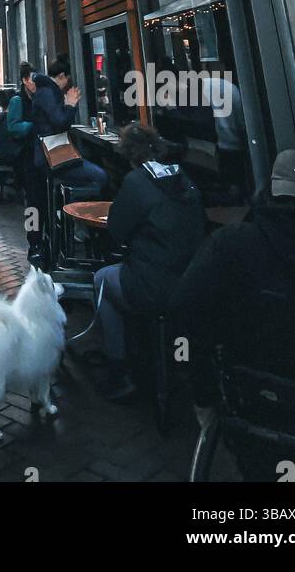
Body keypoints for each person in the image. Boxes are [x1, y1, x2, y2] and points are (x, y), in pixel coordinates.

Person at [175, 149, 295, 449]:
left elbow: (185, 314)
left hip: (248, 409)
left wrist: (203, 394)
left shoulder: (228, 245)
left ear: (268, 195)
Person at [93, 123, 204, 400]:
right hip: (191, 281)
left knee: (102, 280)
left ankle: (119, 372)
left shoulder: (136, 182)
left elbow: (118, 231)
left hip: (154, 285)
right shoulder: (184, 177)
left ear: (129, 155)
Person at [23, 60, 108, 264]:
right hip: (44, 157)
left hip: (34, 156)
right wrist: (70, 105)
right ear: (62, 76)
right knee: (35, 203)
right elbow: (60, 121)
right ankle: (74, 226)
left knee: (34, 204)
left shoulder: (41, 91)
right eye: (68, 80)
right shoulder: (48, 92)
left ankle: (44, 239)